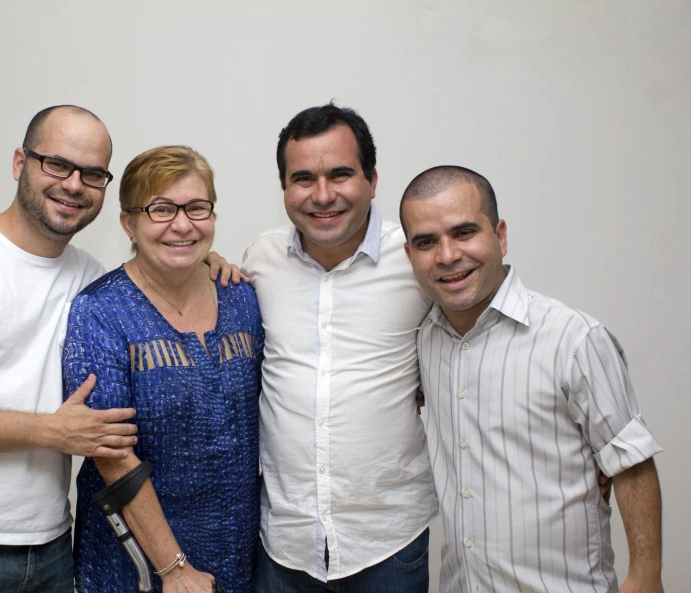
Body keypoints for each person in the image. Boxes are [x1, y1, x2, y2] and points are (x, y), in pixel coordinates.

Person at [0, 107, 235, 593]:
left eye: (92, 174)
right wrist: (52, 431)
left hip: (51, 549)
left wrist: (200, 259)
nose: (73, 184)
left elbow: (155, 271)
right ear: (19, 162)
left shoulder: (90, 280)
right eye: (57, 164)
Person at [399, 165, 664, 593]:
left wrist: (645, 578)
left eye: (464, 232)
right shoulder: (421, 340)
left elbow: (631, 461)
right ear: (409, 255)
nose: (447, 255)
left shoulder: (574, 339)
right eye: (426, 242)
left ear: (500, 236)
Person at [242, 103, 438, 592]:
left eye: (340, 174)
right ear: (284, 188)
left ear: (372, 180)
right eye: (303, 178)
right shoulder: (260, 259)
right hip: (284, 542)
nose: (323, 195)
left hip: (388, 540)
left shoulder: (416, 259)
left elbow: (476, 346)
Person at [62, 145, 263, 593]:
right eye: (161, 209)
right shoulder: (100, 312)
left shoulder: (242, 298)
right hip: (135, 566)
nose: (183, 224)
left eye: (196, 207)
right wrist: (174, 569)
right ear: (128, 223)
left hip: (239, 552)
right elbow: (111, 453)